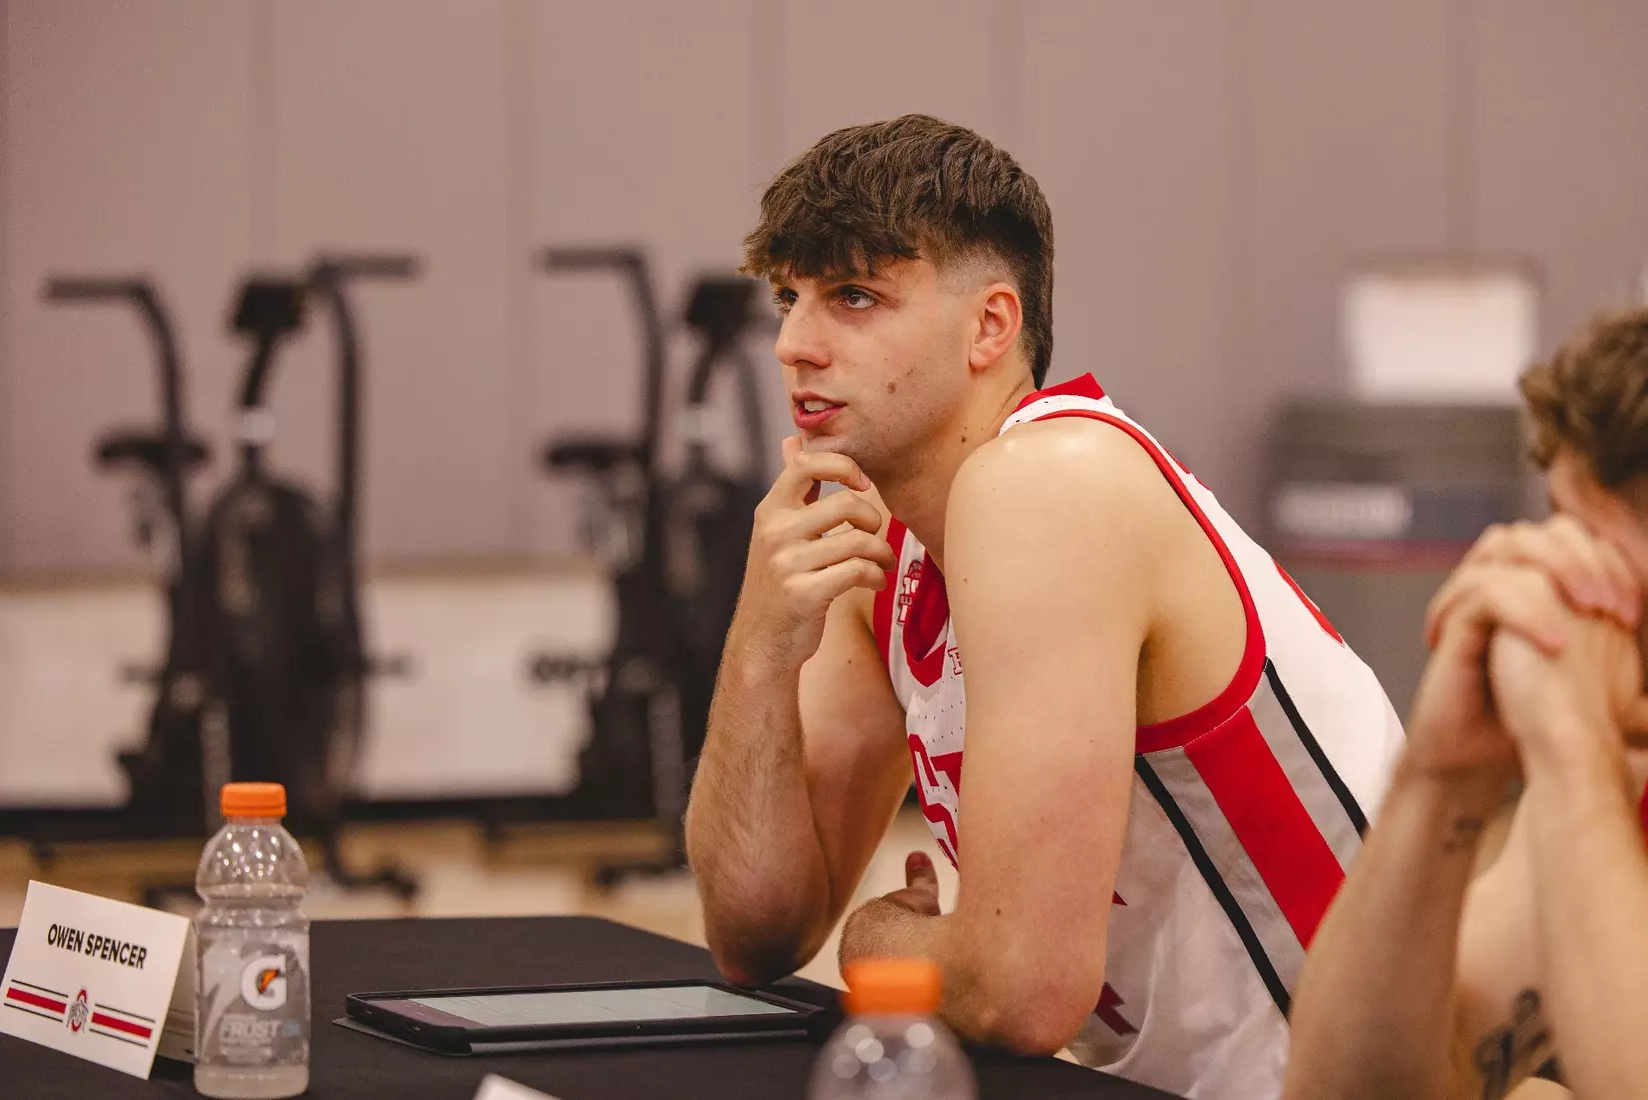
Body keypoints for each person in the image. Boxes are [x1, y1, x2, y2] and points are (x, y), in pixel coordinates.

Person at [683, 114, 1405, 1098]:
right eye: (789, 299)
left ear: (990, 325)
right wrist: (759, 641)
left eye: (855, 297)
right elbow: (752, 932)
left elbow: (1019, 990)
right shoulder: (888, 554)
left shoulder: (1051, 481)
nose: (796, 345)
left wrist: (877, 940)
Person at [1283, 306, 1648, 1100]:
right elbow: (1347, 1090)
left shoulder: (1596, 768)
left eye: (1605, 557)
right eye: (1563, 531)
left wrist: (1570, 751)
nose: (1561, 586)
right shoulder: (1627, 772)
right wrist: (1442, 775)